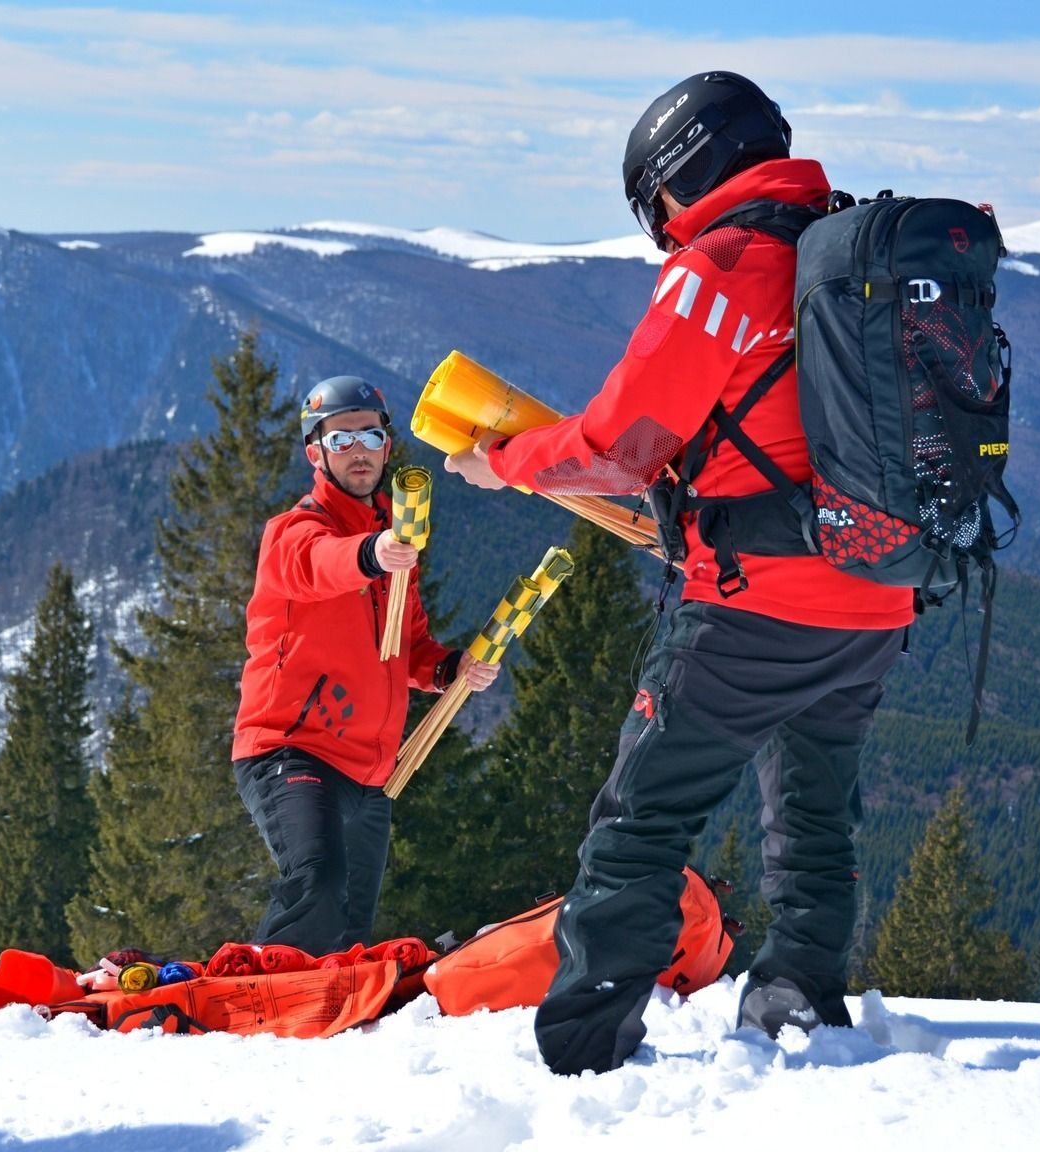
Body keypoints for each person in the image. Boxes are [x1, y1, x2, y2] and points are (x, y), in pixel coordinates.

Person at [445, 72, 914, 1075]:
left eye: (653, 201)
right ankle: (795, 997)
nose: (657, 225)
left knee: (641, 816)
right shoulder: (853, 248)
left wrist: (505, 462)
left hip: (752, 601)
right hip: (877, 590)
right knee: (814, 808)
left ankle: (583, 1049)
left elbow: (619, 442)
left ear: (682, 172)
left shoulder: (724, 262)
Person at [233, 374, 499, 956]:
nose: (359, 451)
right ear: (316, 454)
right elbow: (316, 564)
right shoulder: (294, 532)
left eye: (370, 437)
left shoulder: (396, 547)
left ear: (387, 446)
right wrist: (370, 554)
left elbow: (408, 647)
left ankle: (321, 1025)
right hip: (289, 750)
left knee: (347, 932)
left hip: (370, 775)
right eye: (341, 440)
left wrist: (449, 670)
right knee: (317, 888)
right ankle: (253, 1000)